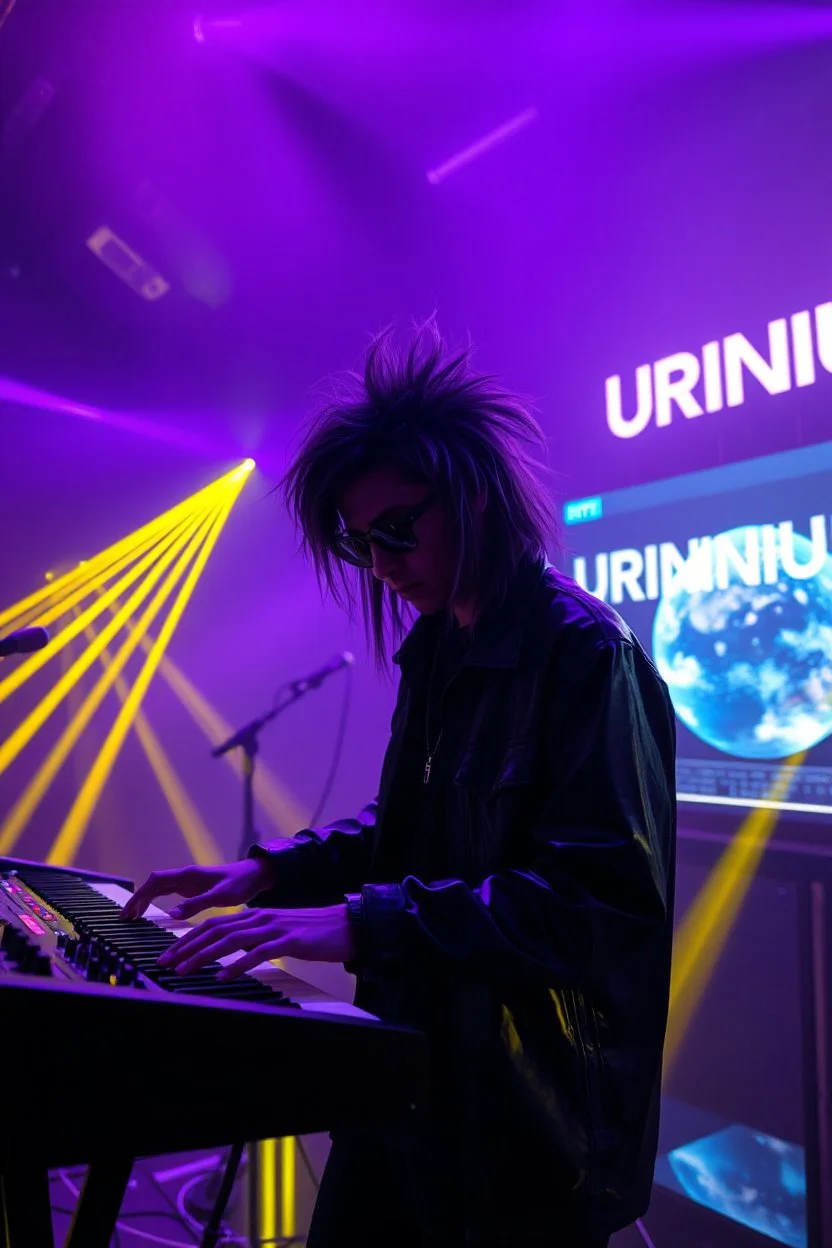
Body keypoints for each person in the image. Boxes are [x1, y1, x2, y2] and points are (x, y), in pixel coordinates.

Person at [123, 319, 677, 1248]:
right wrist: (271, 872)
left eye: (396, 530)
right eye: (358, 543)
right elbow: (414, 827)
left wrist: (369, 922)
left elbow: (598, 901)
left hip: (524, 1134)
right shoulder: (441, 647)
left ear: (476, 500)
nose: (379, 564)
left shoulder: (586, 652)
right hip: (415, 1083)